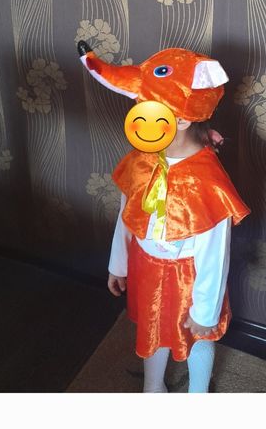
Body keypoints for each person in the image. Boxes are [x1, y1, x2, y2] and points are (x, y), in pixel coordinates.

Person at [77, 43, 250, 393]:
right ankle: (153, 389)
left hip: (188, 277)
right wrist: (119, 264)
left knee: (197, 339)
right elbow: (127, 215)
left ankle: (197, 394)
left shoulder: (207, 181)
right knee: (152, 330)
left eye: (149, 112)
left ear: (182, 120)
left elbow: (215, 253)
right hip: (147, 267)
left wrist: (205, 312)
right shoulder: (140, 160)